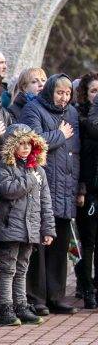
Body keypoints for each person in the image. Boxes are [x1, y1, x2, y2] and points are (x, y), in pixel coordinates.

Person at [20, 73, 80, 315]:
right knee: (40, 245)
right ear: (50, 92)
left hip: (67, 188)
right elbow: (30, 142)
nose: (63, 98)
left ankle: (56, 296)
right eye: (59, 92)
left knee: (60, 245)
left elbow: (76, 153)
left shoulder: (72, 113)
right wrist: (59, 135)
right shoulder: (33, 109)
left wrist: (81, 187)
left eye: (67, 93)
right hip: (42, 188)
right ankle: (36, 297)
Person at [0, 124, 55, 326]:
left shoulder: (38, 171)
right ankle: (6, 308)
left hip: (31, 228)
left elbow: (45, 202)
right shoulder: (3, 168)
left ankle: (21, 305)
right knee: (8, 269)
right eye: (20, 144)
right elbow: (7, 190)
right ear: (11, 146)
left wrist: (47, 229)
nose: (26, 147)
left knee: (22, 269)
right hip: (11, 226)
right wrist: (29, 179)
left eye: (29, 143)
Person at [76, 72, 98, 309]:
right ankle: (86, 285)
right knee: (87, 241)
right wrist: (80, 189)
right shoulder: (81, 118)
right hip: (88, 189)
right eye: (93, 91)